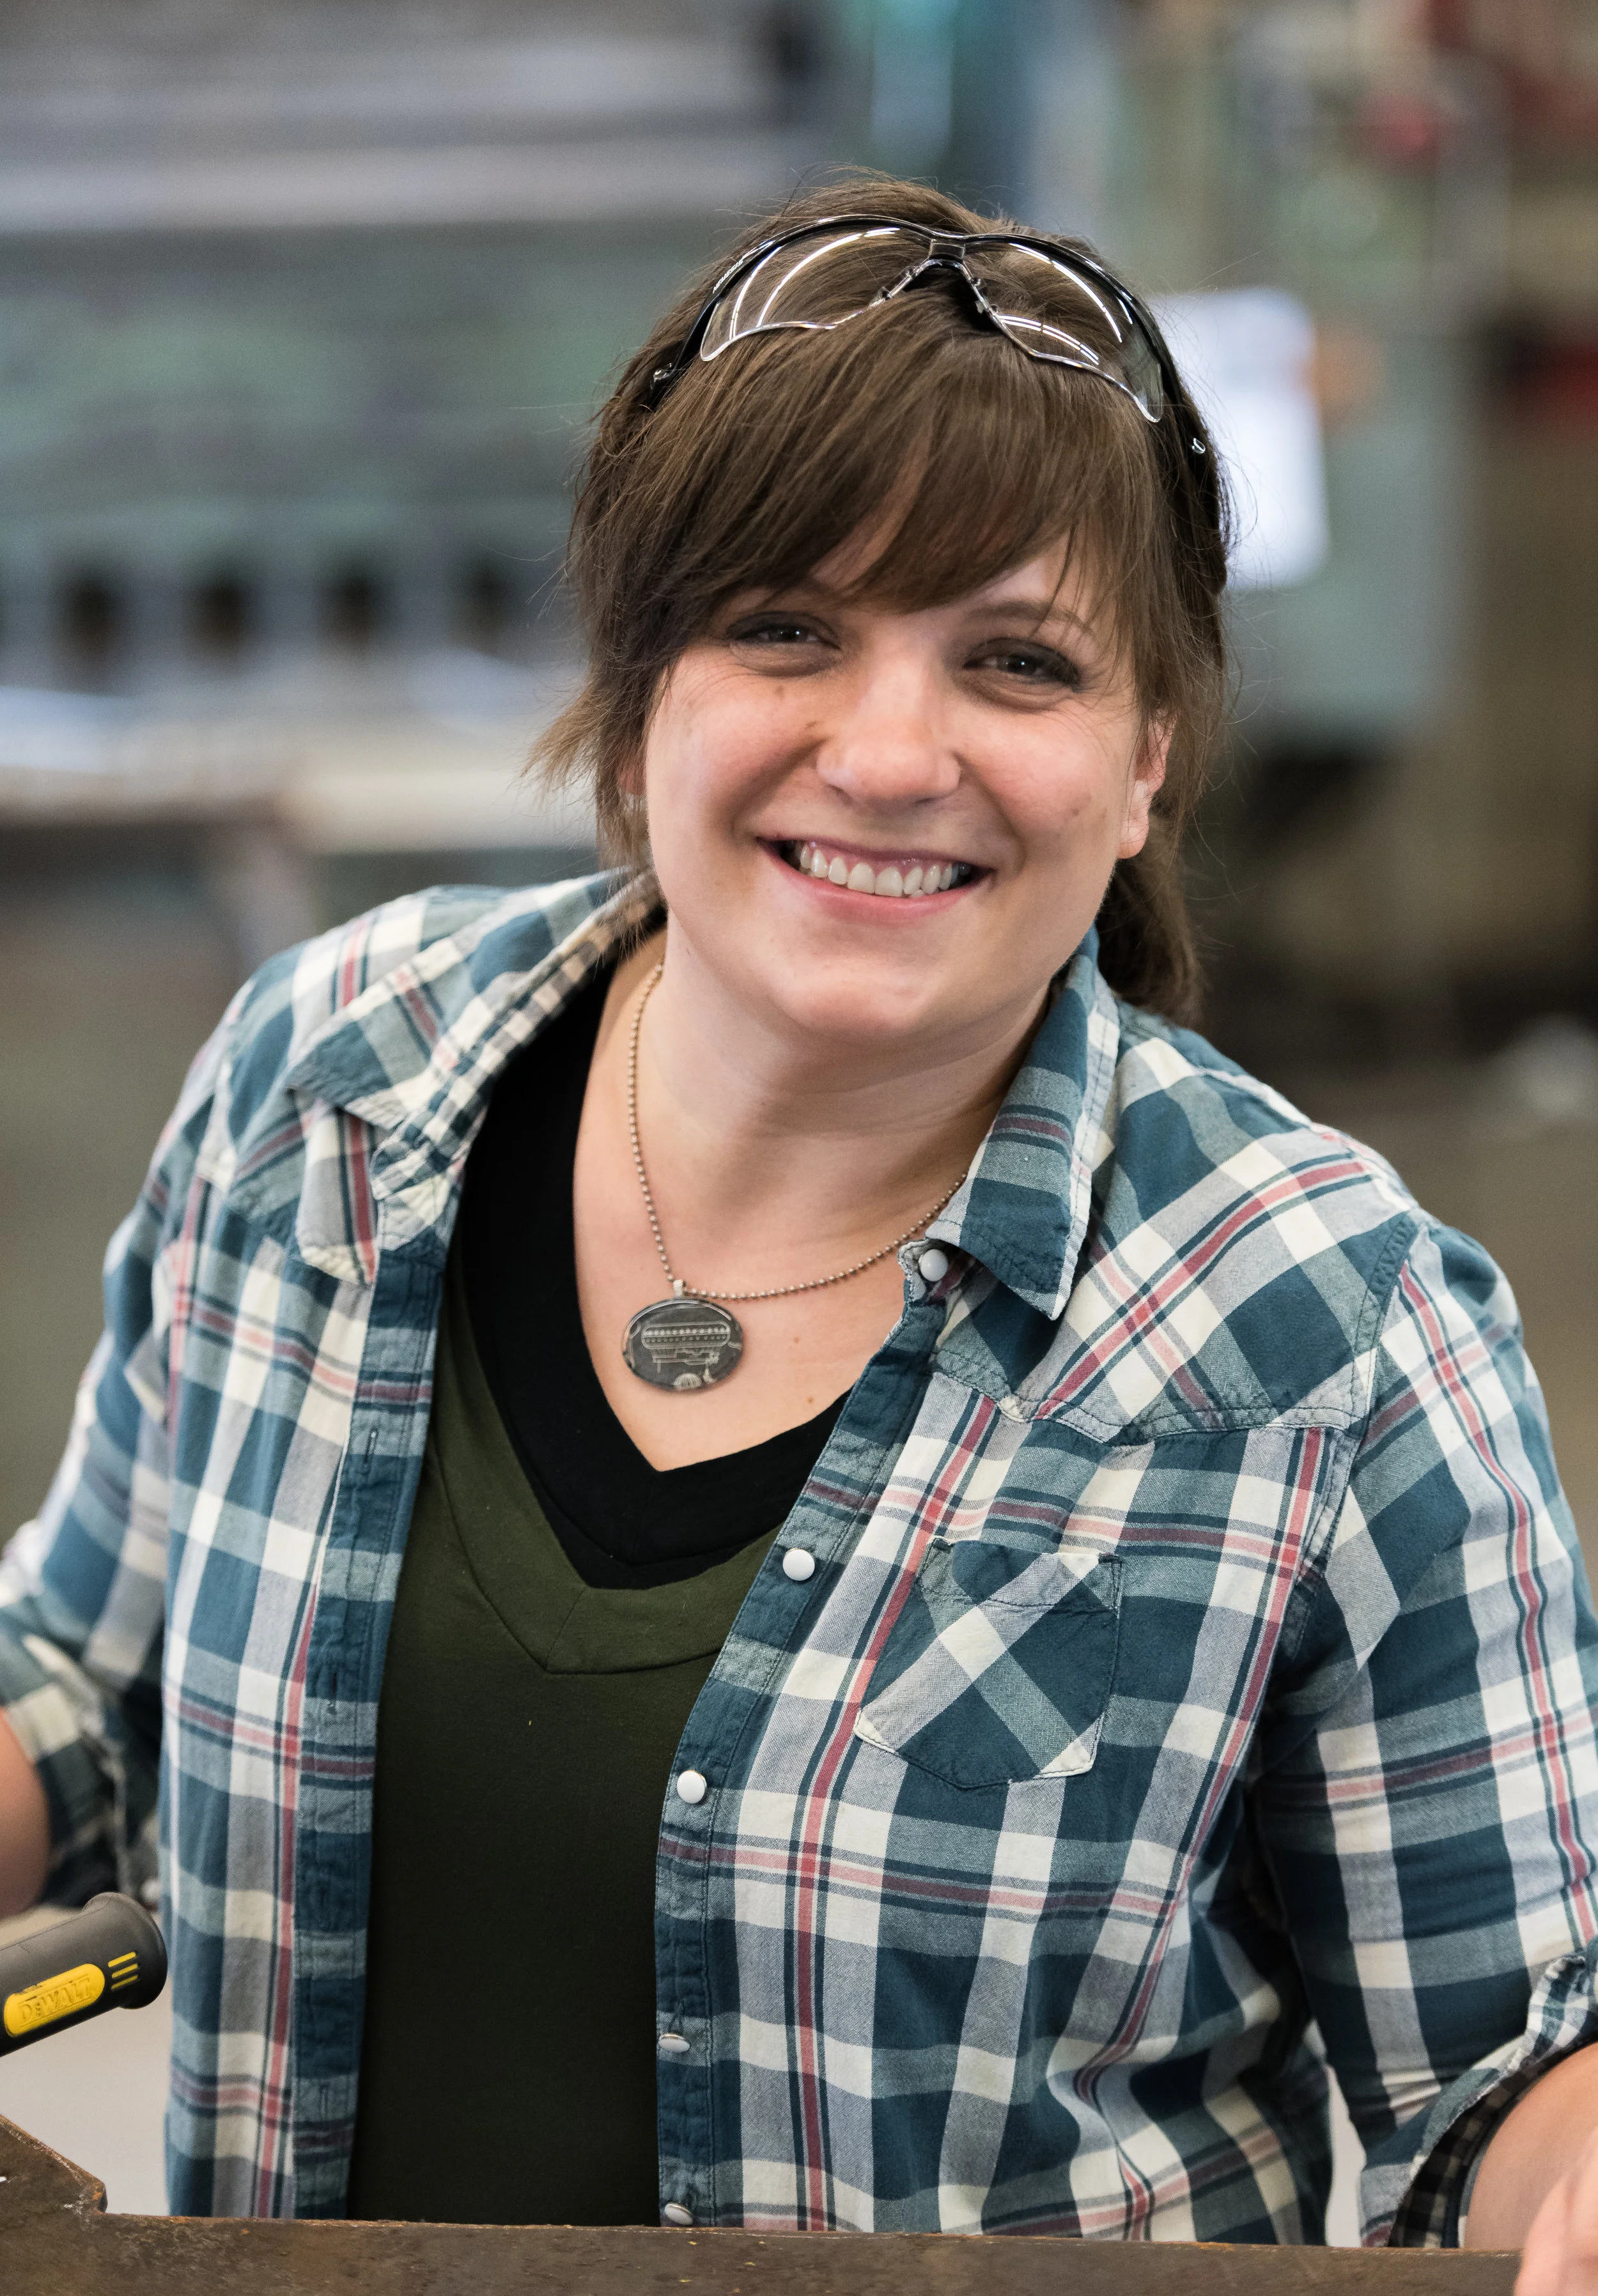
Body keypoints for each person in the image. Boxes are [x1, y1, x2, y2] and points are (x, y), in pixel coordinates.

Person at [2, 176, 1598, 2267]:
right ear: (644, 674)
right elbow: (84, 1685)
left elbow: (1513, 2060)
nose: (887, 750)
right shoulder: (332, 1085)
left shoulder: (1327, 1333)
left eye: (1012, 663)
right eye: (786, 631)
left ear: (1142, 765)